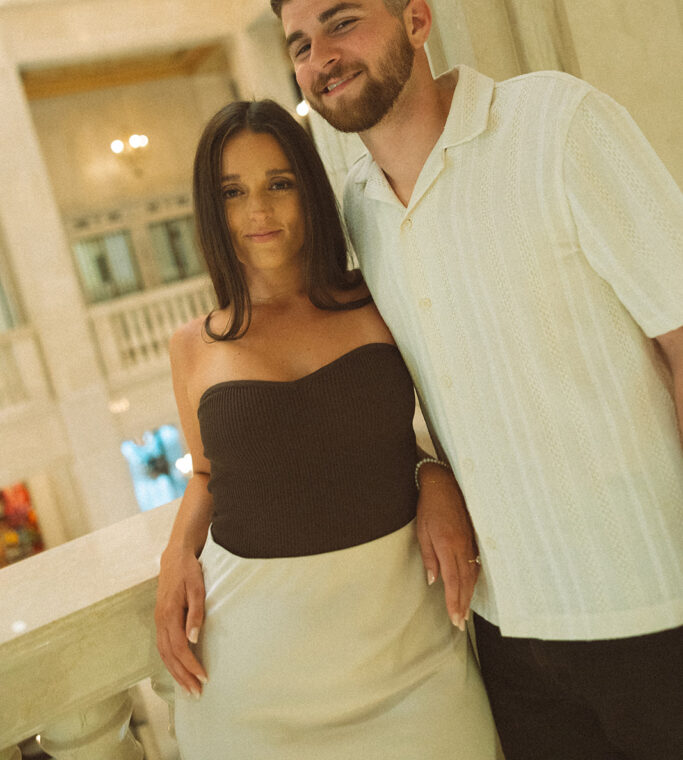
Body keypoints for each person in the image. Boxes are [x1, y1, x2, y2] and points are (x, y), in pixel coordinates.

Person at [270, 0, 683, 760]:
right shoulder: (351, 214)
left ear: (415, 20)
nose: (321, 58)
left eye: (342, 23)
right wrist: (426, 471)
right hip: (505, 630)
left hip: (653, 600)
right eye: (300, 46)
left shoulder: (555, 123)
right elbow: (391, 393)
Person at [154, 99, 497, 758]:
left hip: (409, 658)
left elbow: (454, 408)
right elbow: (206, 473)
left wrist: (433, 472)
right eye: (233, 192)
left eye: (278, 182)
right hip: (254, 677)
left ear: (308, 190)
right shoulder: (192, 345)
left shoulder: (379, 298)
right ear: (210, 209)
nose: (258, 210)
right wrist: (175, 555)